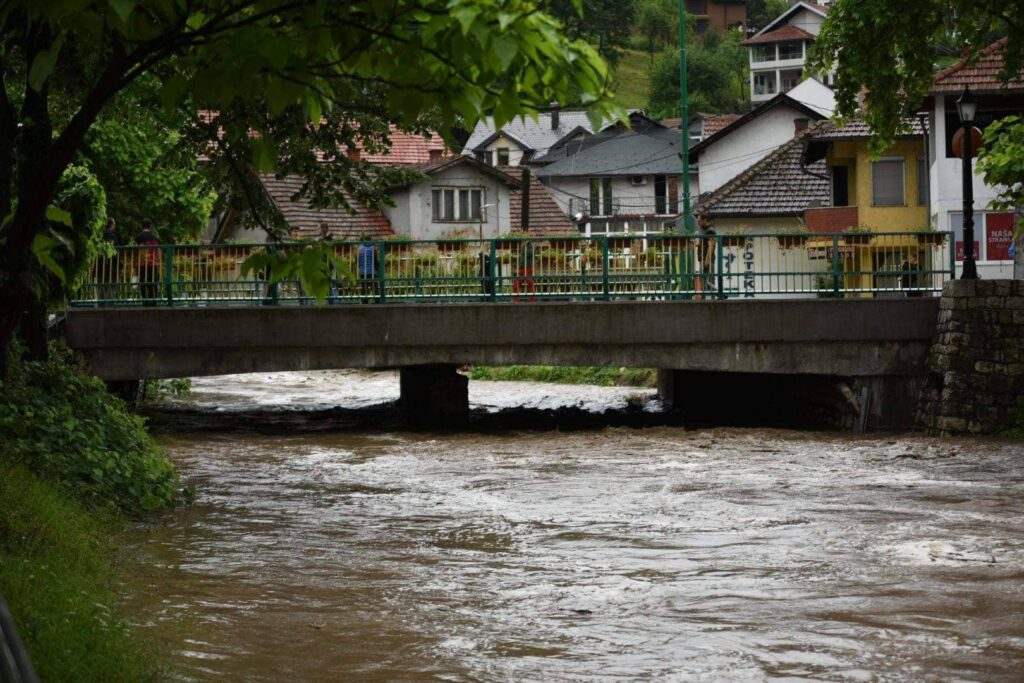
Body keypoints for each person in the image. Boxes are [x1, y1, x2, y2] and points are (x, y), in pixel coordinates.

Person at [135, 222, 161, 304]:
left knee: (142, 282)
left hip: (142, 263)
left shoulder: (139, 237)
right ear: (150, 227)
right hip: (153, 263)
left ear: (142, 227)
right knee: (153, 282)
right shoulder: (155, 237)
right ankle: (153, 300)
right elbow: (158, 249)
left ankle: (145, 301)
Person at [357, 237, 378, 302]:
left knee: (364, 286)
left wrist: (360, 268)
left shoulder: (360, 248)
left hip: (363, 271)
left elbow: (357, 260)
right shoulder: (373, 248)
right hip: (372, 271)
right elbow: (375, 260)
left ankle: (364, 301)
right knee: (374, 286)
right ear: (370, 241)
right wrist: (377, 269)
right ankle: (377, 300)